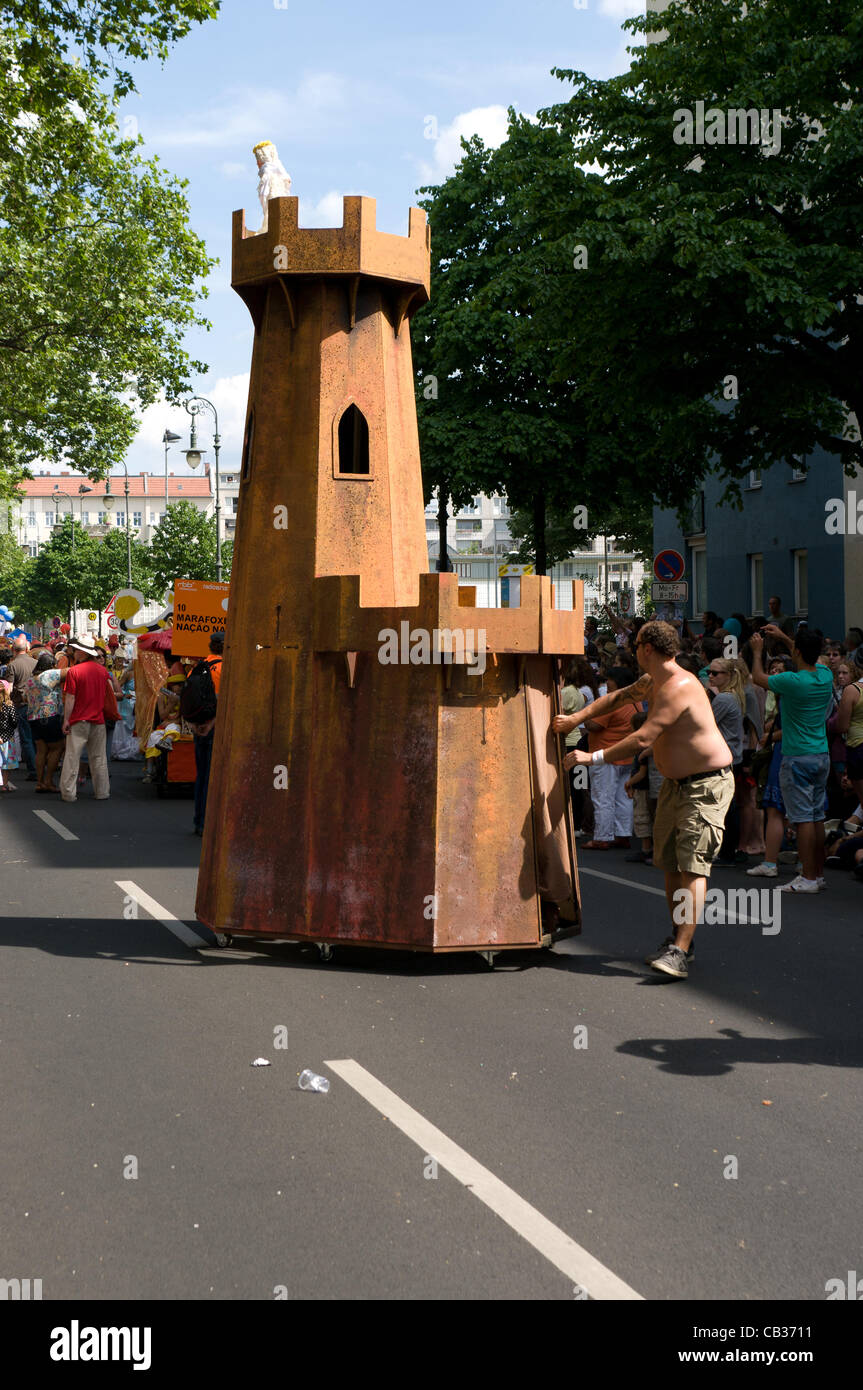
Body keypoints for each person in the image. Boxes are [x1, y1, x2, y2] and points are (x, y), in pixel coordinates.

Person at [553, 620, 734, 979]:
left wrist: (594, 757)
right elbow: (618, 697)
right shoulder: (655, 680)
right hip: (675, 784)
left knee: (692, 867)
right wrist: (577, 717)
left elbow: (643, 738)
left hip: (706, 786)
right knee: (668, 863)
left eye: (636, 644)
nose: (634, 649)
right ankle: (682, 939)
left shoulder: (678, 686)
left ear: (647, 648)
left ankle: (680, 951)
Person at [750, 626, 834, 892]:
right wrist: (787, 639)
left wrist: (757, 651)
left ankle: (807, 877)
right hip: (821, 754)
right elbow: (813, 658)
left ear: (797, 651)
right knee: (817, 815)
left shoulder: (793, 681)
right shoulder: (825, 675)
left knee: (803, 819)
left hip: (797, 756)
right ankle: (816, 874)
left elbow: (758, 677)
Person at [579, 666, 641, 850]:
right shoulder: (635, 701)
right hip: (627, 755)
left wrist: (590, 711)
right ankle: (622, 834)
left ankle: (602, 837)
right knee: (623, 797)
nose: (606, 683)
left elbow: (593, 725)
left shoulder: (613, 701)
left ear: (616, 682)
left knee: (603, 797)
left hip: (605, 755)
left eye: (609, 680)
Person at [59, 635, 121, 803]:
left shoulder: (74, 671)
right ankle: (102, 792)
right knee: (99, 758)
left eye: (76, 650)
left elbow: (70, 698)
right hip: (98, 720)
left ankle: (68, 793)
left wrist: (66, 720)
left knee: (72, 757)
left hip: (79, 720)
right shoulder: (102, 671)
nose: (74, 652)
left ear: (82, 652)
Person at [186, 632, 223, 836]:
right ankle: (209, 822)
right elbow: (224, 703)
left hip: (198, 728)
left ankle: (199, 820)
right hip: (215, 728)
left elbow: (188, 700)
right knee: (214, 777)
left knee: (201, 776)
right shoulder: (227, 669)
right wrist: (211, 724)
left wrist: (194, 725)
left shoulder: (198, 668)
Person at [23, 650, 65, 792]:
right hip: (49, 716)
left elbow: (24, 698)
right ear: (51, 665)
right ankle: (48, 781)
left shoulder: (31, 680)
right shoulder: (49, 675)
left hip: (34, 718)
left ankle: (39, 782)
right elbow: (69, 672)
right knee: (57, 747)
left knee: (41, 751)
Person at [7, 635, 37, 779]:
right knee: (37, 738)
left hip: (21, 705)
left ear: (13, 649)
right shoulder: (35, 662)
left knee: (26, 738)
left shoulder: (12, 665)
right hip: (36, 704)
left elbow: (9, 688)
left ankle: (34, 770)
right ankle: (39, 767)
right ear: (26, 648)